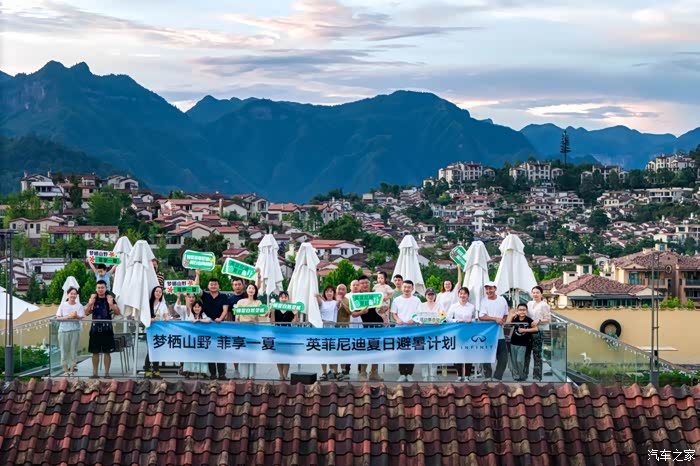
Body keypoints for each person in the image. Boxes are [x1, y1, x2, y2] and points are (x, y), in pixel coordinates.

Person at [197, 270, 230, 380]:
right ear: (208, 286)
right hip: (207, 326)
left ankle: (222, 374)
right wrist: (197, 275)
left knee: (220, 349)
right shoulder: (205, 295)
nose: (213, 286)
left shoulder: (223, 296)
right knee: (209, 349)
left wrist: (220, 318)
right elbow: (196, 288)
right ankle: (213, 374)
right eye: (211, 284)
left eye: (215, 284)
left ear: (218, 286)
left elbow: (225, 310)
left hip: (219, 326)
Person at [352, 275, 385, 381]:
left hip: (377, 325)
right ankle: (363, 373)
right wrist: (362, 312)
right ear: (359, 285)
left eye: (366, 282)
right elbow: (353, 314)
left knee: (376, 349)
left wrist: (383, 310)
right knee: (365, 350)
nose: (365, 285)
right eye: (362, 283)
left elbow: (380, 310)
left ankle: (374, 372)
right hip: (364, 327)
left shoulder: (375, 296)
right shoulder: (356, 298)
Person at [85, 280, 120, 378]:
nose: (100, 289)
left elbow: (117, 312)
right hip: (95, 329)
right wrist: (90, 303)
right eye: (98, 288)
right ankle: (95, 373)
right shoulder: (93, 299)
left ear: (105, 288)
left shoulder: (110, 298)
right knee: (95, 352)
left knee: (107, 352)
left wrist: (111, 304)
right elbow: (86, 312)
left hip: (107, 329)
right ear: (96, 289)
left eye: (102, 287)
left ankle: (107, 374)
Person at [478, 281, 510, 381]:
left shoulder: (502, 299)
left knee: (503, 357)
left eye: (490, 288)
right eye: (487, 289)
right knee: (486, 356)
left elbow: (506, 313)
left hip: (500, 333)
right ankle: (488, 376)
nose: (488, 291)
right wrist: (495, 319)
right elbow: (481, 316)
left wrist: (503, 320)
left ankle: (497, 376)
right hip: (487, 334)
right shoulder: (484, 301)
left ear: (495, 289)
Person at [390, 280, 421, 382]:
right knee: (401, 351)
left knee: (411, 351)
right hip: (400, 329)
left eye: (409, 287)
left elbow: (419, 313)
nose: (407, 289)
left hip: (412, 329)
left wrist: (413, 320)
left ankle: (410, 373)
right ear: (402, 288)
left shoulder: (417, 300)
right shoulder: (397, 300)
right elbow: (394, 313)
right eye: (405, 287)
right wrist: (397, 320)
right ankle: (402, 373)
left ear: (412, 289)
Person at [234, 283, 263, 380]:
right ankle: (243, 374)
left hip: (254, 329)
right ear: (246, 290)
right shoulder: (240, 302)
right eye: (249, 288)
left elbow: (262, 314)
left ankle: (251, 375)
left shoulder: (258, 302)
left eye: (253, 288)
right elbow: (237, 317)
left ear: (255, 291)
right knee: (243, 351)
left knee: (252, 351)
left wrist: (267, 312)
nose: (251, 290)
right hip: (242, 329)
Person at [447, 287, 476, 382]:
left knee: (468, 354)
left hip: (469, 333)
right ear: (458, 295)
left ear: (468, 295)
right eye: (461, 293)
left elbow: (475, 318)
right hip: (457, 333)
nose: (462, 295)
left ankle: (467, 375)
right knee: (457, 354)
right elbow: (448, 318)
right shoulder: (453, 306)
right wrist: (456, 320)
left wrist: (471, 320)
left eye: (464, 293)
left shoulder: (471, 306)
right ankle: (459, 375)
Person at [55, 287, 84, 376]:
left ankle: (71, 370)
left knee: (73, 351)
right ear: (68, 295)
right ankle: (65, 370)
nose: (73, 295)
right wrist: (68, 317)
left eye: (75, 294)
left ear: (76, 295)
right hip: (63, 331)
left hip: (75, 330)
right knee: (64, 351)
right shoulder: (63, 305)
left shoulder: (79, 306)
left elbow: (81, 317)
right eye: (71, 293)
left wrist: (76, 316)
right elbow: (58, 317)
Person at [526, 285, 552, 382]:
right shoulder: (529, 303)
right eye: (534, 292)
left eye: (537, 292)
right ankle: (525, 375)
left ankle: (537, 377)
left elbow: (548, 319)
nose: (535, 294)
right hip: (529, 331)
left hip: (540, 331)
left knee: (537, 354)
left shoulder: (544, 305)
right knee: (527, 353)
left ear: (541, 294)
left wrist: (539, 320)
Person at [507, 303, 538, 381]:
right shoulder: (515, 318)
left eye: (524, 310)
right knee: (514, 361)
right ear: (518, 310)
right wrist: (512, 315)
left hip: (523, 344)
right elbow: (507, 324)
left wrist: (525, 330)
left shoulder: (528, 320)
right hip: (513, 342)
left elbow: (536, 329)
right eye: (520, 310)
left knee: (519, 360)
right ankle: (516, 375)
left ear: (526, 311)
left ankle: (521, 375)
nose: (522, 311)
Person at [417, 288, 442, 381]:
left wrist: (439, 321)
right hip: (423, 332)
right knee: (424, 353)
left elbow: (443, 316)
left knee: (434, 353)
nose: (430, 296)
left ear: (435, 296)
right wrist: (420, 322)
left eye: (432, 295)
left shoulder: (439, 305)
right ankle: (425, 375)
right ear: (425, 296)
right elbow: (417, 316)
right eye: (429, 295)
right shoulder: (421, 305)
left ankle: (433, 374)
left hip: (435, 332)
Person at [271, 291, 296, 381]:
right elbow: (272, 322)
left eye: (285, 297)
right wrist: (272, 312)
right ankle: (281, 375)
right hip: (277, 334)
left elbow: (295, 322)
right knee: (278, 355)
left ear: (288, 298)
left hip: (288, 334)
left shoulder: (291, 309)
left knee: (287, 355)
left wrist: (296, 314)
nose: (283, 299)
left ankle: (285, 375)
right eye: (282, 297)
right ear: (279, 299)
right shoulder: (276, 308)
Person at [317, 286, 340, 381]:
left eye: (331, 291)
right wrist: (316, 294)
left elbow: (338, 303)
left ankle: (335, 371)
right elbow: (317, 299)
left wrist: (339, 298)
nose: (329, 293)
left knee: (333, 351)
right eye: (327, 291)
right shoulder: (322, 302)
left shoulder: (335, 302)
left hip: (332, 329)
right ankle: (324, 372)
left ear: (333, 293)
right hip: (323, 329)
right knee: (323, 351)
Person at [183, 300, 211, 379]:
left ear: (201, 308)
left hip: (201, 339)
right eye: (195, 307)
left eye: (198, 307)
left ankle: (203, 372)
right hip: (191, 339)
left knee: (202, 356)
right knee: (190, 356)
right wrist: (186, 297)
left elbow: (208, 320)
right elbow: (187, 307)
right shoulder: (190, 314)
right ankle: (188, 372)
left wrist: (199, 320)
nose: (197, 308)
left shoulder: (203, 315)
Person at [144, 286, 167, 378]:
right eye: (156, 291)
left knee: (157, 351)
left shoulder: (163, 305)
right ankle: (147, 371)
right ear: (153, 292)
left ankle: (156, 371)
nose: (158, 293)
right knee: (150, 351)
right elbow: (143, 316)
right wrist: (149, 319)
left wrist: (167, 318)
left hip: (159, 332)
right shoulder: (147, 304)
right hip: (149, 331)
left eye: (160, 292)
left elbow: (166, 315)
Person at [339, 280, 360, 378]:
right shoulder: (346, 297)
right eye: (353, 285)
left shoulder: (363, 296)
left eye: (357, 285)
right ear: (350, 287)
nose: (355, 286)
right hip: (348, 324)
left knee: (359, 346)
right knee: (347, 346)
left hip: (360, 324)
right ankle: (346, 368)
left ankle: (360, 368)